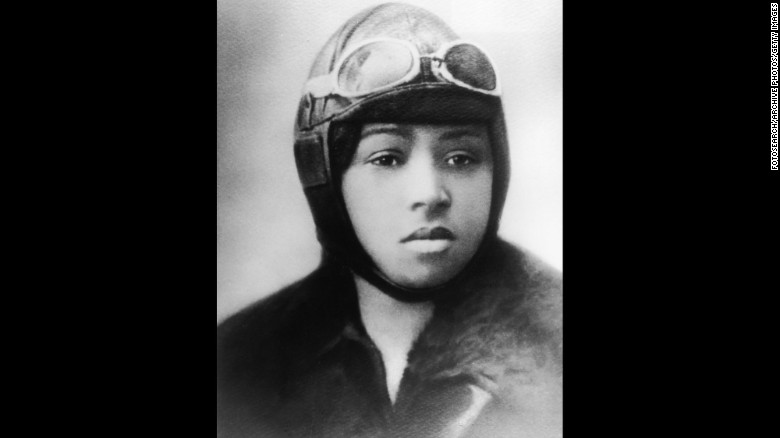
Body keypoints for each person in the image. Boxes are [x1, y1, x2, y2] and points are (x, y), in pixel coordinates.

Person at [217, 3, 562, 437]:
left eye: (461, 158)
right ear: (325, 176)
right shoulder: (240, 360)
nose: (430, 194)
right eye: (387, 158)